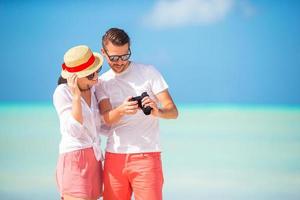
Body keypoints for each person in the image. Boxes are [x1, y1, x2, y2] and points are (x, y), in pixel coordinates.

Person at [95, 28, 179, 200]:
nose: (120, 62)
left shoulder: (148, 72)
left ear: (129, 49)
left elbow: (173, 111)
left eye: (125, 56)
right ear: (103, 52)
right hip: (114, 157)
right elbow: (105, 118)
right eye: (114, 57)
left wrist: (158, 111)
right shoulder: (102, 81)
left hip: (147, 156)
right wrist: (121, 110)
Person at [53, 45, 106, 200]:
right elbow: (75, 130)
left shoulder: (95, 90)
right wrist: (76, 97)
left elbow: (102, 127)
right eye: (90, 75)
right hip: (74, 159)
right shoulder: (62, 93)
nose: (96, 78)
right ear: (74, 77)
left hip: (95, 160)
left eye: (98, 71)